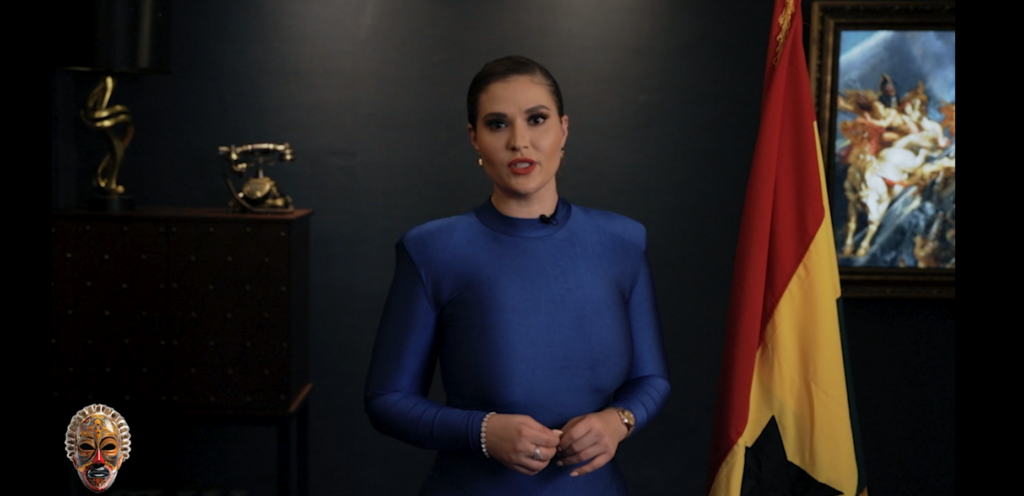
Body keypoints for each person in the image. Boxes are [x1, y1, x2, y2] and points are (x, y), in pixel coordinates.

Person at [364, 55, 671, 495]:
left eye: (537, 119)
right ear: (474, 138)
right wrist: (481, 431)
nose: (519, 142)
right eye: (497, 124)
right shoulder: (432, 249)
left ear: (563, 129)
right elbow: (387, 400)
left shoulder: (622, 241)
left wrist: (618, 420)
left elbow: (651, 379)